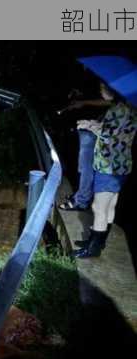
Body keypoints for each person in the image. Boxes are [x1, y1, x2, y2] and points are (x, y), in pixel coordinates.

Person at [73, 83, 137, 258]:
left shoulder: (120, 109)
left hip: (109, 165)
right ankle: (98, 242)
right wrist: (93, 123)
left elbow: (110, 136)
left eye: (103, 88)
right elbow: (115, 129)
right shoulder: (129, 107)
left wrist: (89, 127)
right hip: (122, 164)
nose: (100, 91)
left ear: (113, 90)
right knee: (110, 205)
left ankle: (93, 249)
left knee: (98, 207)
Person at [58, 83, 113, 211]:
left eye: (102, 87)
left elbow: (110, 103)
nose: (100, 89)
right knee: (85, 167)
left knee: (86, 167)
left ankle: (82, 201)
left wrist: (85, 104)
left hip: (92, 131)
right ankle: (83, 195)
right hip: (89, 127)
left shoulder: (116, 95)